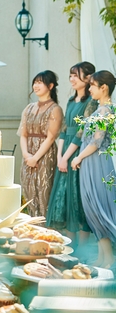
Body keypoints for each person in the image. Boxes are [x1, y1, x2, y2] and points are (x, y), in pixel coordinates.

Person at [46, 62, 97, 247]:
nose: (72, 79)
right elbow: (64, 129)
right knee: (65, 196)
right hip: (65, 152)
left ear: (88, 78)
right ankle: (69, 246)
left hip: (78, 152)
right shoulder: (70, 100)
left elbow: (81, 133)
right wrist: (60, 156)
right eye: (71, 75)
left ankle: (82, 249)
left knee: (78, 198)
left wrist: (66, 157)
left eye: (76, 75)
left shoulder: (91, 102)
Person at [71, 70, 116, 268]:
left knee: (99, 208)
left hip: (97, 163)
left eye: (92, 85)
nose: (89, 89)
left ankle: (109, 258)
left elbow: (97, 141)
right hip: (92, 163)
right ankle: (103, 257)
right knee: (93, 209)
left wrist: (78, 157)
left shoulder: (105, 111)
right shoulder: (102, 109)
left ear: (103, 87)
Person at [18, 70, 63, 218]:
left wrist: (35, 158)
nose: (36, 86)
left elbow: (51, 138)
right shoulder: (29, 108)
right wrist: (26, 155)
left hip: (45, 155)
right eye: (35, 82)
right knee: (28, 190)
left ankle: (46, 226)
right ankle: (32, 225)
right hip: (28, 154)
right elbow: (23, 134)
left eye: (40, 82)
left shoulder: (55, 109)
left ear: (50, 86)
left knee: (44, 190)